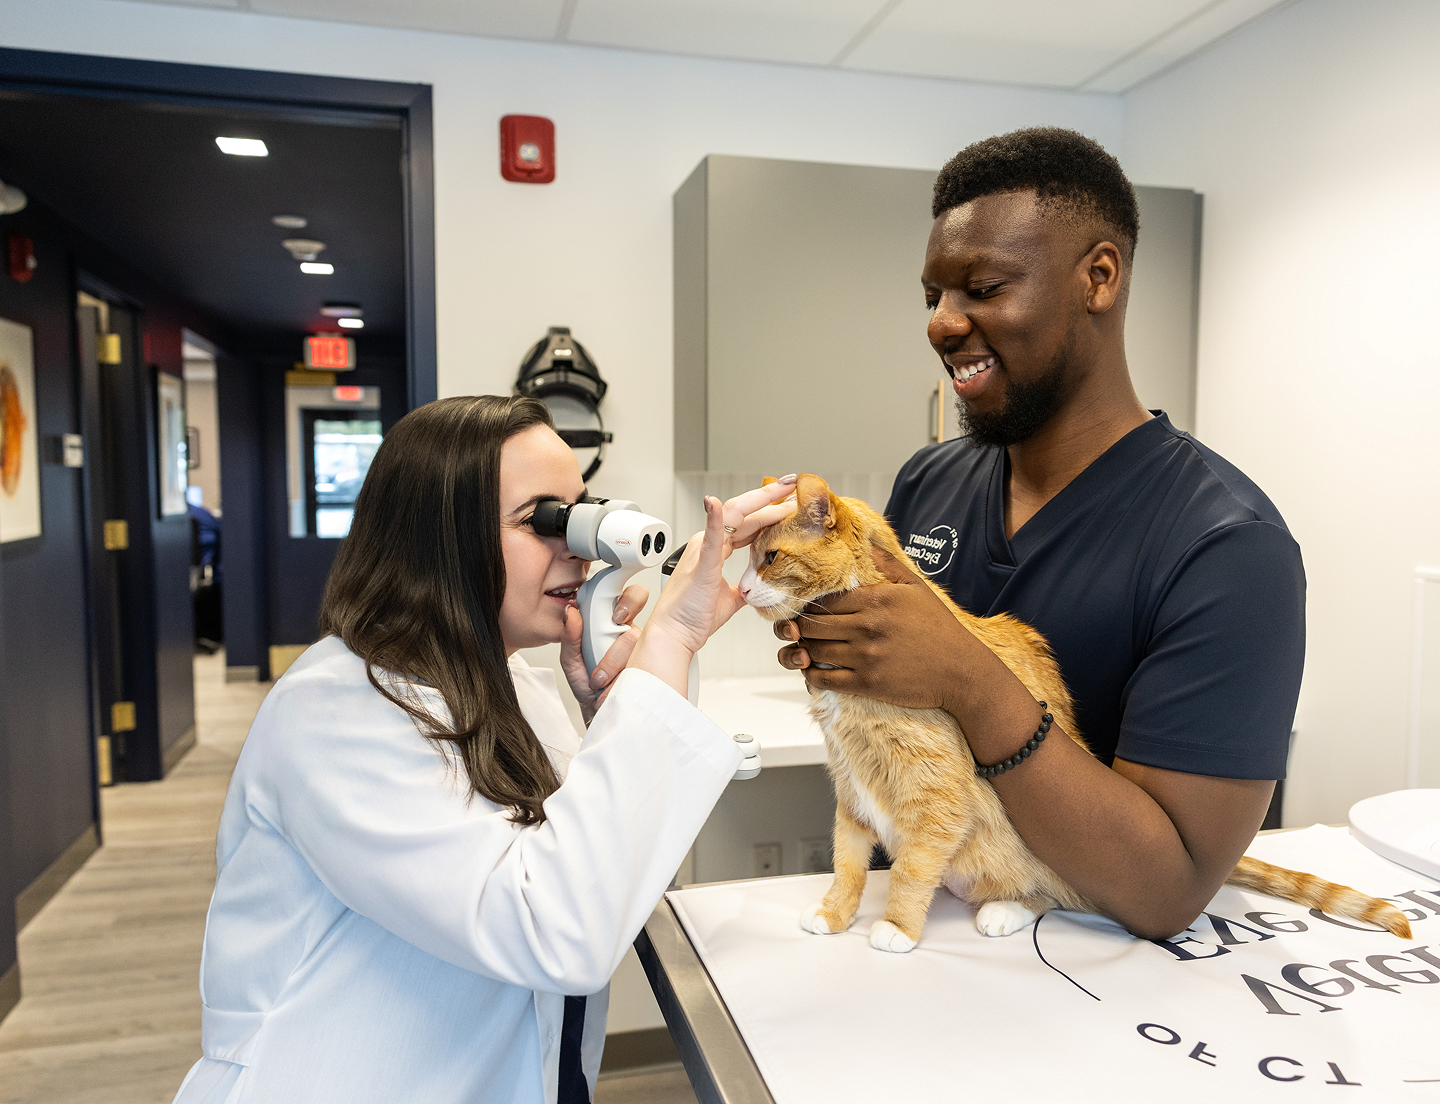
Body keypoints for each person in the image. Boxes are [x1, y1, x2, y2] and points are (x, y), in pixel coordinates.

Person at [172, 395, 795, 1104]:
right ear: (438, 539)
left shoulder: (514, 688)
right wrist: (669, 644)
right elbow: (558, 930)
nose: (582, 545)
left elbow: (597, 875)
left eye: (582, 511)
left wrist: (609, 713)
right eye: (543, 521)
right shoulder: (336, 710)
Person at [776, 128, 1305, 941]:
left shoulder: (1228, 549)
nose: (942, 325)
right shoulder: (930, 480)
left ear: (1098, 277)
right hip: (919, 951)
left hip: (1100, 1003)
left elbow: (1165, 890)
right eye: (933, 297)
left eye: (982, 287)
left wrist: (969, 678)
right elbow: (898, 709)